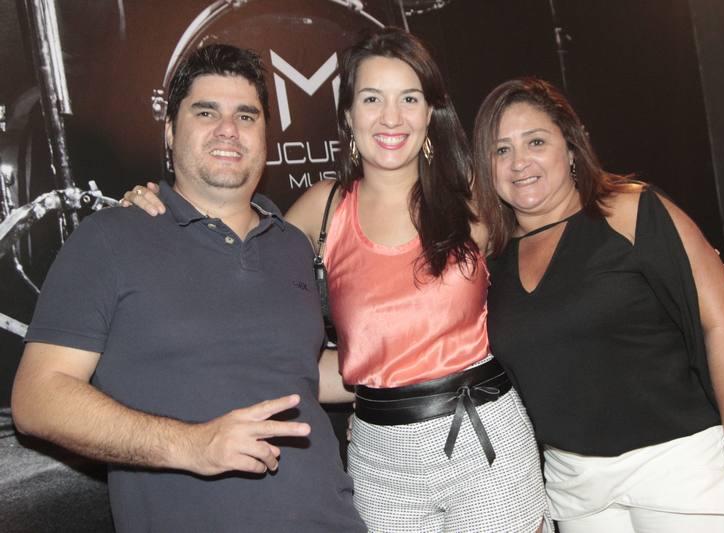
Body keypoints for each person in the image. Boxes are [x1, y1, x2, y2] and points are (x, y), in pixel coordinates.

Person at [123, 28, 552, 533]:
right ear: (348, 116)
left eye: (408, 98)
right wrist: (160, 206)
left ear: (430, 112)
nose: (391, 118)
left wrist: (621, 200)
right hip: (380, 460)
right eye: (372, 99)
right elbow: (231, 255)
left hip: (486, 443)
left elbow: (561, 222)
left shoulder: (473, 198)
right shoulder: (321, 210)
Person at [11, 44, 366, 533]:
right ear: (170, 130)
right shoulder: (111, 238)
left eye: (246, 116)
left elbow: (302, 371)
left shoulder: (290, 244)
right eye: (206, 112)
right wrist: (192, 445)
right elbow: (37, 397)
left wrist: (419, 364)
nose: (229, 129)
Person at [472, 76, 724, 533]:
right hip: (575, 487)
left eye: (536, 141)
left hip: (679, 468)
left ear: (571, 145)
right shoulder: (492, 259)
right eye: (501, 150)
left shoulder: (629, 211)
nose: (519, 162)